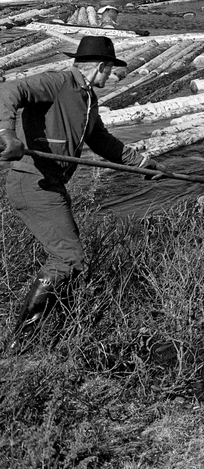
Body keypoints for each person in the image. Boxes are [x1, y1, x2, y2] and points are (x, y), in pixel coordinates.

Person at [1, 35, 161, 346]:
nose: (111, 77)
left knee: (69, 257)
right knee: (68, 258)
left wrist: (142, 163)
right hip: (32, 182)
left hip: (50, 184)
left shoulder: (87, 98)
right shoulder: (59, 82)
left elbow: (100, 139)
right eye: (110, 70)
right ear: (100, 67)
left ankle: (44, 331)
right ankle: (21, 341)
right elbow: (8, 90)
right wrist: (7, 133)